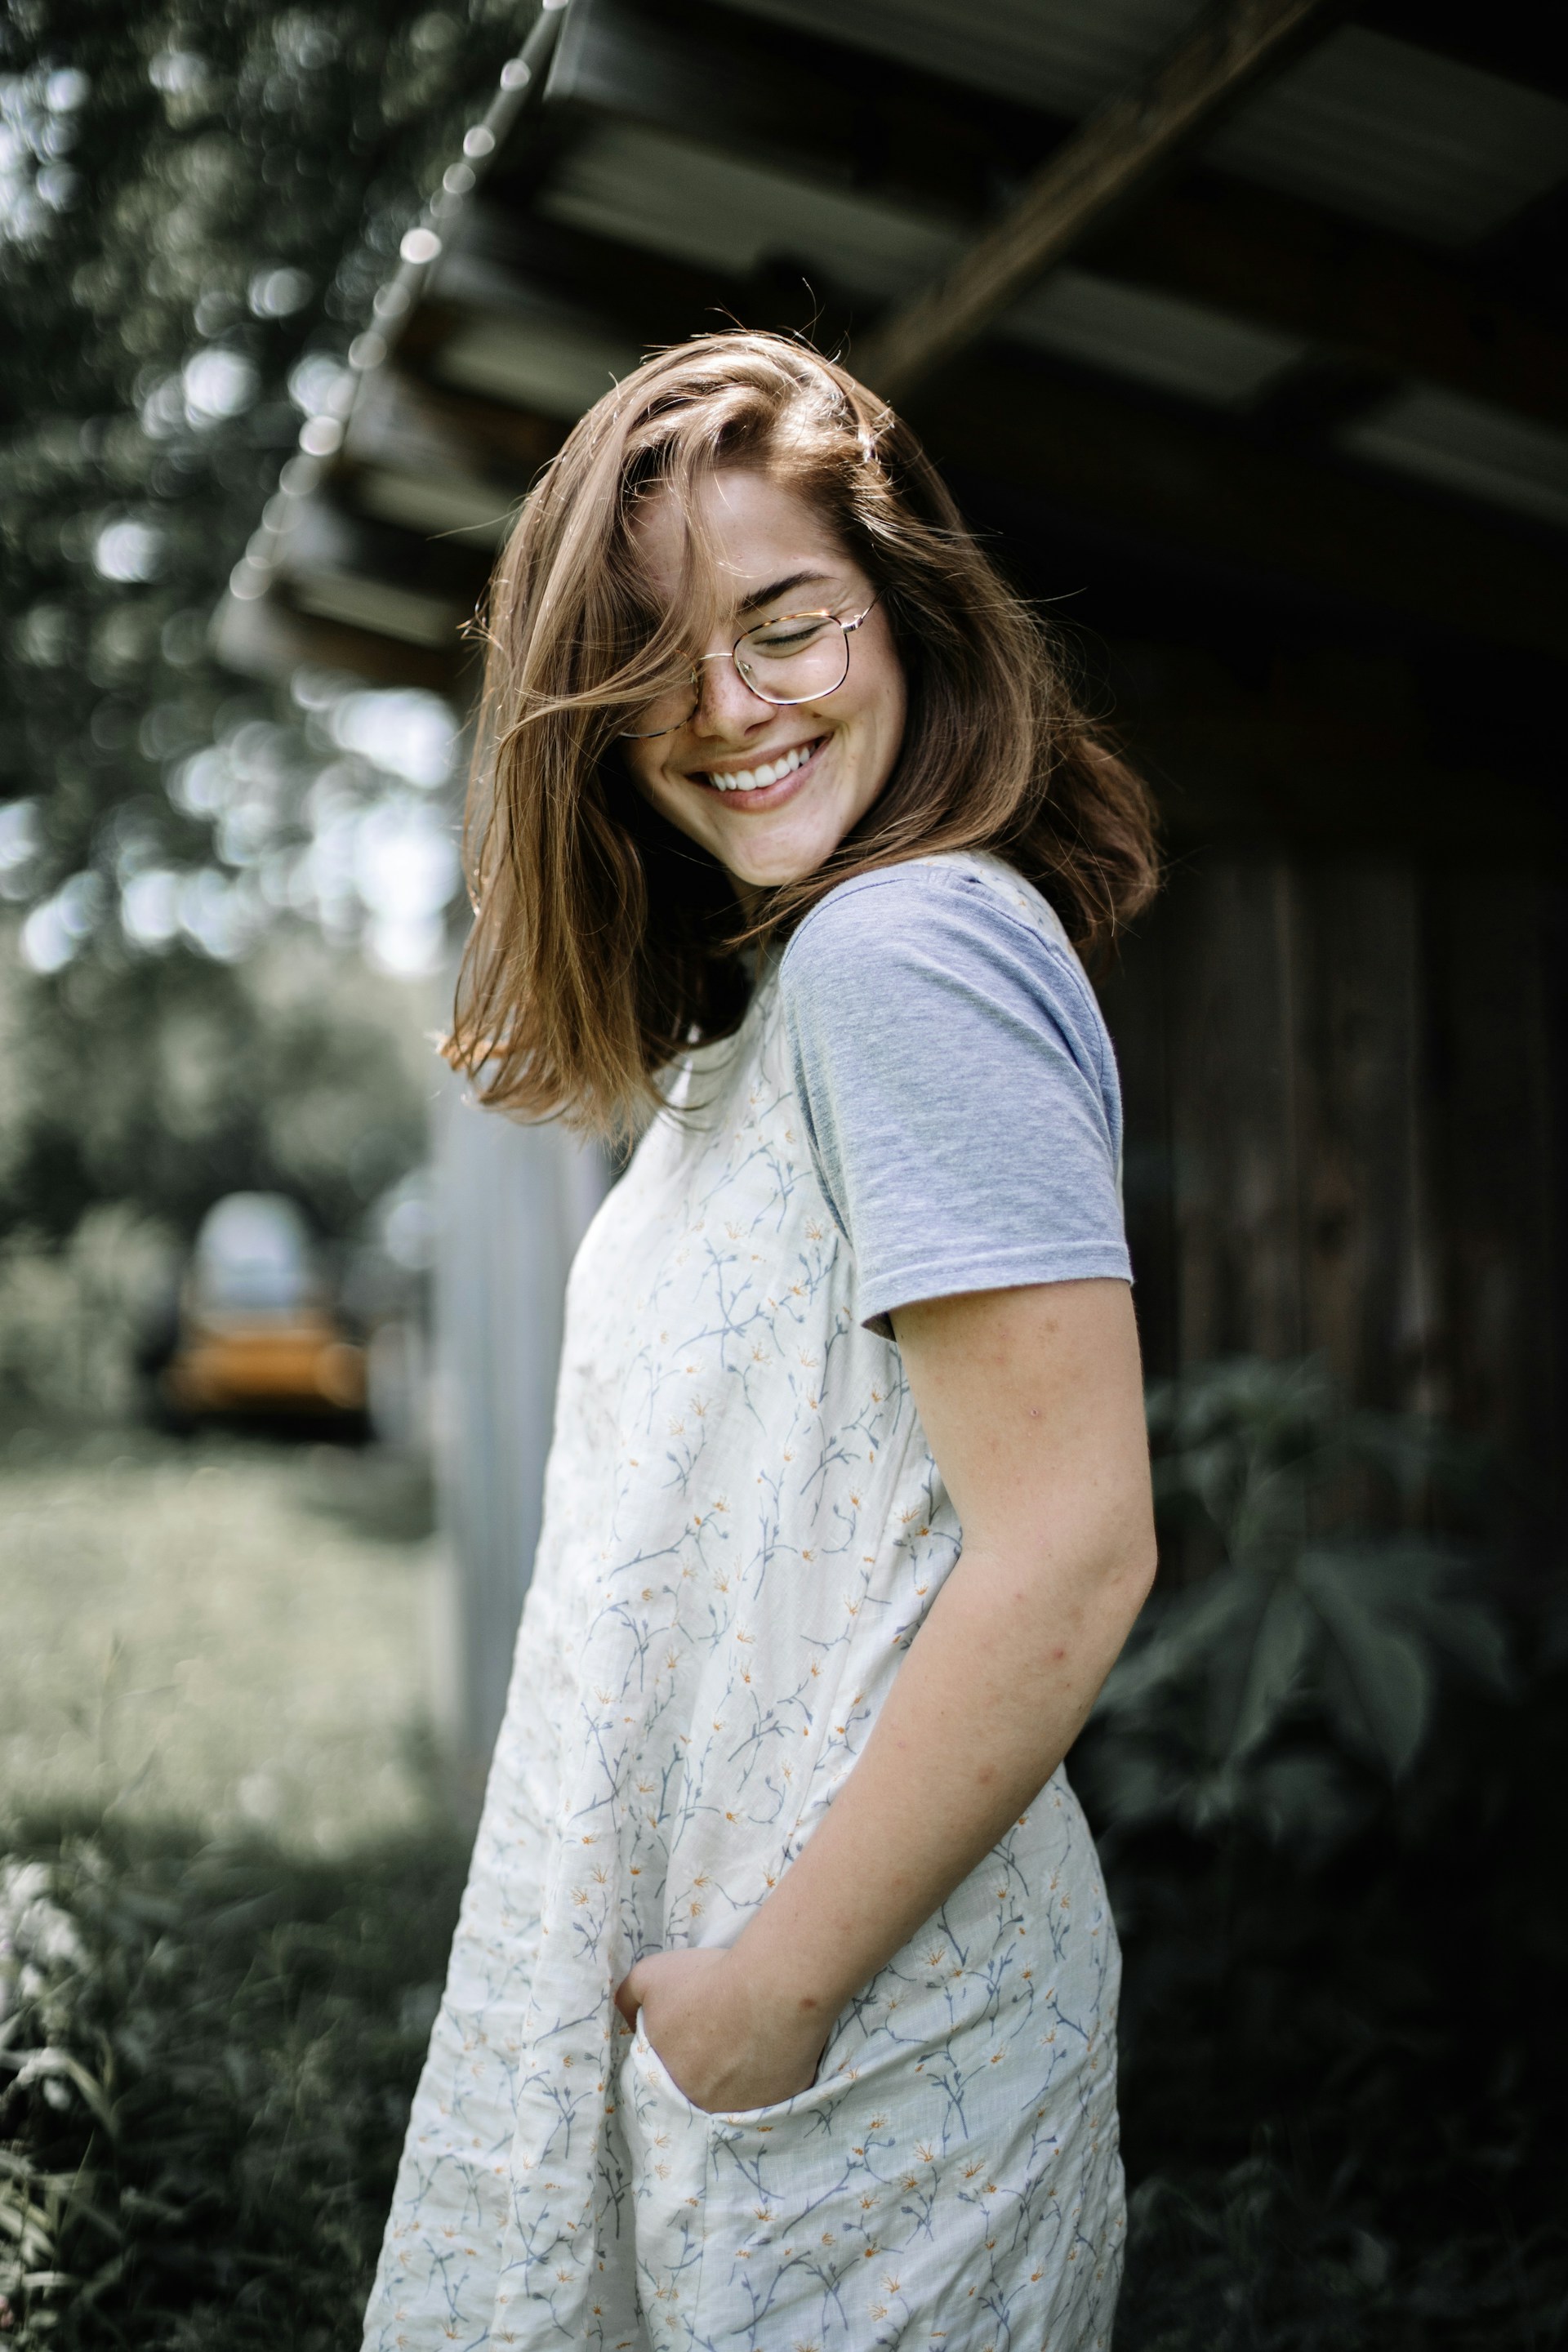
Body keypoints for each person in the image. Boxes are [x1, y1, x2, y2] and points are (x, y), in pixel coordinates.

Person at [363, 331, 1160, 2352]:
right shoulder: (818, 982)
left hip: (858, 2056)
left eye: (786, 623)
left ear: (900, 604)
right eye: (653, 677)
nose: (729, 712)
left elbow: (1073, 1549)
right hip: (805, 2049)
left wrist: (773, 1992)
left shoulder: (907, 953)